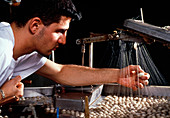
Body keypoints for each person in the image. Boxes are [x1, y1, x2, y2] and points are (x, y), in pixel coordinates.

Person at [0, 0, 150, 101]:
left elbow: (60, 72)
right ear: (35, 26)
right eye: (59, 31)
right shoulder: (2, 48)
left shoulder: (24, 50)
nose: (64, 41)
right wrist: (3, 94)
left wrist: (118, 75)